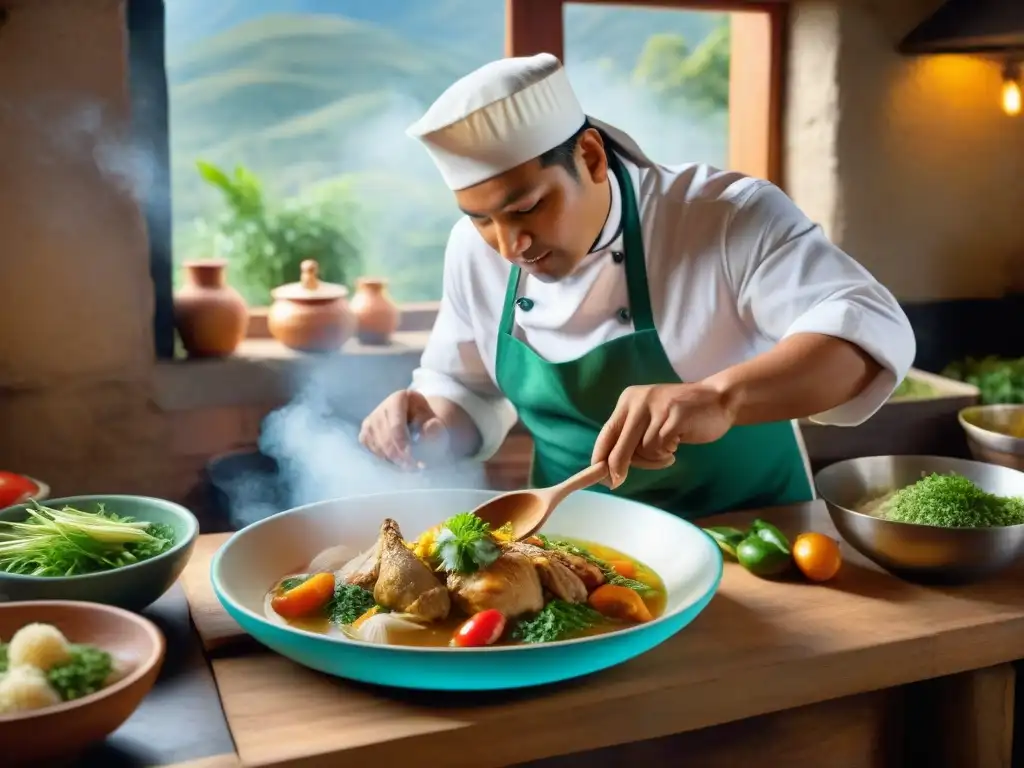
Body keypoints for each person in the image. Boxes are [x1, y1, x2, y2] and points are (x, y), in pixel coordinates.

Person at [358, 53, 916, 517]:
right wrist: (428, 426)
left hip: (755, 532)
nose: (510, 247)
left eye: (526, 208)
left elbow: (868, 329)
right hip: (577, 542)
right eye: (480, 219)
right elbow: (466, 390)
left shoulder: (724, 216)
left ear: (592, 157)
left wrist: (720, 397)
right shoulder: (471, 252)